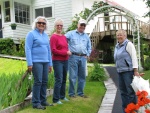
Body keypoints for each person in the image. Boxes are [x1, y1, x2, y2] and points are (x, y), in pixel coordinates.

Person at [25, 16, 53, 110]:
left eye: (43, 23)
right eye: (39, 23)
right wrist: (29, 63)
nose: (41, 24)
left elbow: (48, 50)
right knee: (38, 81)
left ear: (45, 25)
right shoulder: (31, 34)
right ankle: (36, 103)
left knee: (44, 81)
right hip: (36, 62)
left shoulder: (45, 35)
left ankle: (43, 100)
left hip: (46, 62)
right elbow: (28, 49)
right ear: (36, 24)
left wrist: (50, 64)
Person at [114, 29, 143, 113]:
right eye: (118, 35)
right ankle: (126, 110)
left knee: (130, 92)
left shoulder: (128, 44)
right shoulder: (117, 46)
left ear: (125, 36)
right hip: (120, 71)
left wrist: (135, 70)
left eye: (121, 35)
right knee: (123, 92)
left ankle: (133, 110)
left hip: (128, 71)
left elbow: (134, 57)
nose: (119, 36)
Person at [65, 19, 92, 98]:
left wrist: (87, 54)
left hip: (83, 57)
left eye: (84, 25)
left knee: (82, 76)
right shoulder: (70, 34)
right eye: (81, 25)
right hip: (73, 56)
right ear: (78, 25)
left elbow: (89, 47)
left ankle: (80, 93)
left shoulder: (86, 36)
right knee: (73, 76)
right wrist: (66, 50)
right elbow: (63, 41)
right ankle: (72, 94)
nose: (82, 26)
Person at [50, 18, 71, 104]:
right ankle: (56, 99)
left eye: (61, 25)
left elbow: (65, 47)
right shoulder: (53, 37)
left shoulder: (64, 37)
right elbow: (53, 50)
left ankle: (62, 96)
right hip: (57, 61)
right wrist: (65, 52)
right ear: (55, 26)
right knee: (58, 79)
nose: (59, 27)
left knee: (64, 79)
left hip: (65, 60)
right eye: (58, 25)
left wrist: (67, 52)